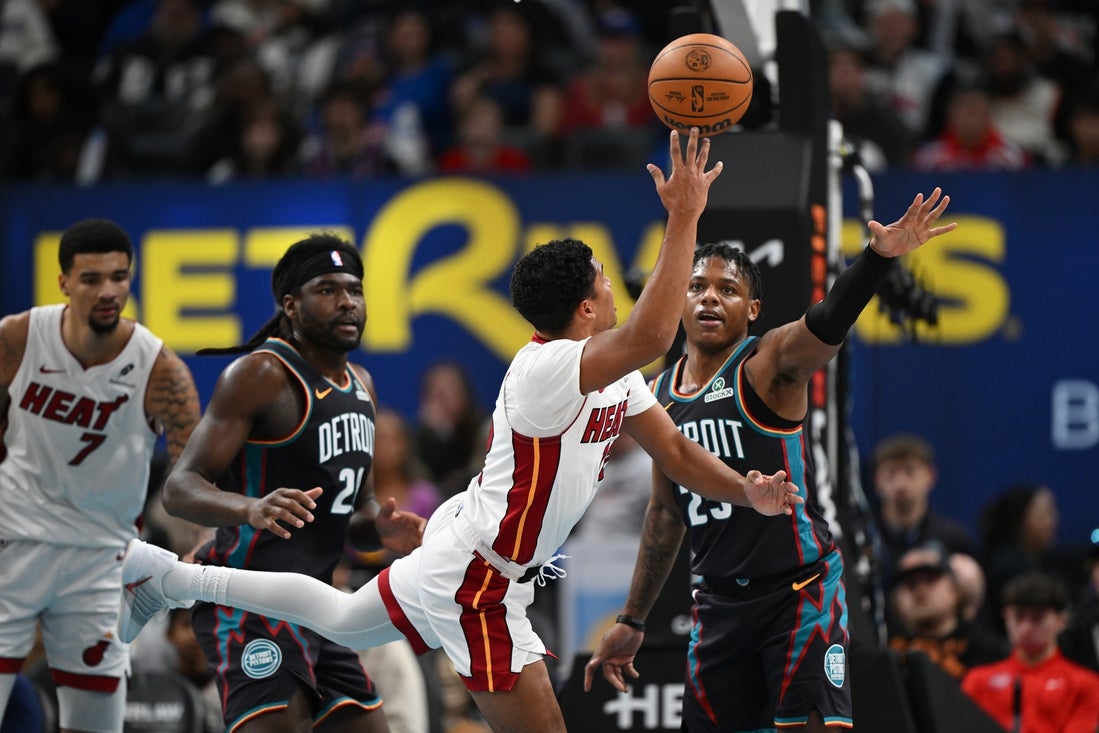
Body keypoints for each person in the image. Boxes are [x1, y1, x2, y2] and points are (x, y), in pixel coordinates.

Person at [118, 127, 804, 733]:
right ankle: (172, 578)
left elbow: (676, 451)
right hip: (480, 578)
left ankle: (171, 577)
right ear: (586, 307)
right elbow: (654, 334)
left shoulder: (612, 376)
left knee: (344, 618)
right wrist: (684, 215)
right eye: (603, 281)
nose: (614, 289)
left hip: (466, 543)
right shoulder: (546, 368)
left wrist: (746, 491)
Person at [584, 186, 959, 731]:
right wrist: (634, 618)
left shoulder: (767, 363)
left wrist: (877, 259)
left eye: (728, 290)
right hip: (717, 605)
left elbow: (827, 320)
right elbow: (665, 513)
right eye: (697, 287)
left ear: (752, 309)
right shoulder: (657, 395)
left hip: (797, 592)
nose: (709, 299)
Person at [132, 232, 425, 733]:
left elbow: (357, 511)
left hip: (318, 605)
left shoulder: (363, 385)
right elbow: (179, 488)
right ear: (291, 305)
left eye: (354, 290)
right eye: (328, 290)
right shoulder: (260, 375)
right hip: (248, 602)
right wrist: (249, 507)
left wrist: (379, 528)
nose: (347, 302)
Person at [0, 218, 201, 733]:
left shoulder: (162, 371)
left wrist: (206, 542)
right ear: (64, 282)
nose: (108, 291)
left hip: (99, 560)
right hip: (12, 540)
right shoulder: (18, 339)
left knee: (96, 723)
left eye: (119, 277)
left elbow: (194, 477)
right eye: (91, 279)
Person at [962, 571, 1099, 733]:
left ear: (1061, 621)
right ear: (1006, 617)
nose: (1026, 628)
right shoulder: (977, 681)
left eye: (1037, 618)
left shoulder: (1084, 685)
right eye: (1018, 617)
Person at [886, 543, 1008, 681]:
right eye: (910, 583)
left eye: (930, 579)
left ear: (955, 588)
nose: (919, 589)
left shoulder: (988, 650)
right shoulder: (891, 653)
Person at [872, 432, 977, 591]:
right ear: (877, 481)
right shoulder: (863, 539)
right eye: (891, 474)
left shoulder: (954, 540)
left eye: (910, 472)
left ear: (930, 476)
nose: (900, 484)